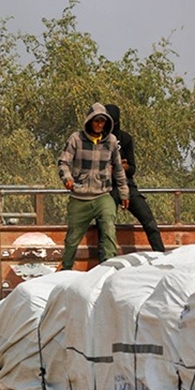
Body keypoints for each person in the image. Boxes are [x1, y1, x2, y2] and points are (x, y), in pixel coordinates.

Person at [58, 103, 129, 270]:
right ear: (90, 121)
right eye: (97, 121)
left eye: (103, 122)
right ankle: (66, 270)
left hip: (102, 195)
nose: (99, 125)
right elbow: (63, 162)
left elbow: (118, 169)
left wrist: (124, 193)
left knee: (108, 231)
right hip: (79, 196)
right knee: (72, 239)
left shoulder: (110, 141)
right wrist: (67, 179)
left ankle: (108, 270)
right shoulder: (76, 139)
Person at [106, 103, 165, 253]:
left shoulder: (126, 138)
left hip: (127, 185)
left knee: (149, 221)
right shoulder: (98, 140)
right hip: (107, 188)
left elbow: (132, 168)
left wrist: (122, 167)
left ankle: (161, 254)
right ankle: (106, 259)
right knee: (105, 224)